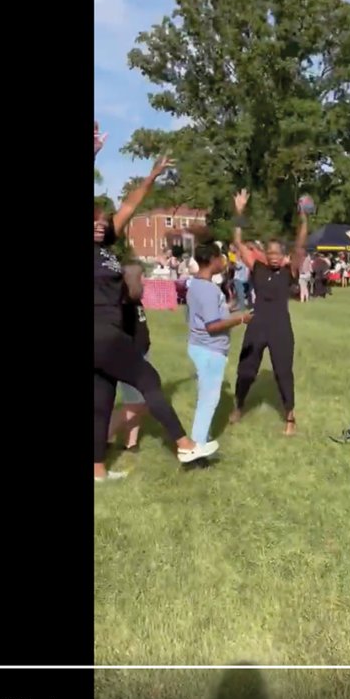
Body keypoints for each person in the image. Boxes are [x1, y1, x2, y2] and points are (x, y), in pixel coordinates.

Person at [94, 123, 217, 480]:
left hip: (104, 335)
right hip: (102, 331)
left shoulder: (108, 249)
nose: (100, 225)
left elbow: (131, 204)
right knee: (148, 379)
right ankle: (184, 444)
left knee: (101, 401)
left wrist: (151, 177)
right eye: (94, 221)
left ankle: (97, 470)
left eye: (103, 221)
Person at [230, 189, 308, 435]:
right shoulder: (258, 267)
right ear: (265, 253)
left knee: (283, 372)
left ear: (284, 255)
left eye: (278, 253)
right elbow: (238, 243)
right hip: (257, 324)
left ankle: (290, 415)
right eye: (270, 252)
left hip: (280, 327)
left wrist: (303, 220)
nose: (274, 257)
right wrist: (239, 213)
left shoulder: (289, 271)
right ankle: (239, 405)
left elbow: (300, 245)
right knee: (246, 370)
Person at [187, 243, 253, 446]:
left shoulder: (195, 284)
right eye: (221, 259)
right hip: (209, 350)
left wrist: (230, 312)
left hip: (201, 347)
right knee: (209, 401)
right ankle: (197, 446)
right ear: (212, 260)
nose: (223, 263)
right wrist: (241, 319)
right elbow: (213, 325)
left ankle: (201, 438)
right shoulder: (207, 289)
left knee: (205, 398)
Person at [106, 262, 148, 455]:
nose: (145, 282)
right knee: (135, 404)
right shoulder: (122, 305)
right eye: (142, 278)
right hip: (130, 357)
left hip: (141, 353)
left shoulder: (135, 300)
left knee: (136, 401)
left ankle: (131, 443)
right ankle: (102, 436)